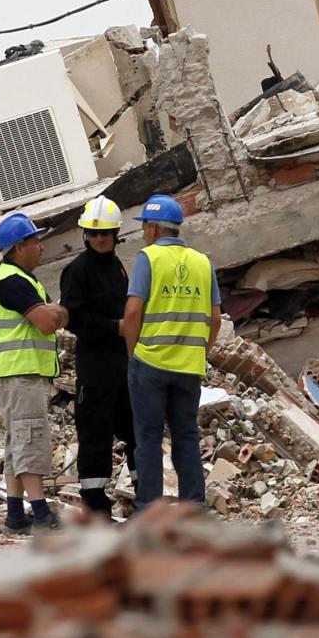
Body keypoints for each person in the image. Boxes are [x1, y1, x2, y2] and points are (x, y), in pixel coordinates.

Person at [119, 194, 222, 513]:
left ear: (152, 228)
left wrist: (132, 352)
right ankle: (195, 507)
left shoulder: (147, 258)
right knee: (186, 436)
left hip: (150, 362)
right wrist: (199, 352)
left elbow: (133, 311)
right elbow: (215, 319)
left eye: (144, 227)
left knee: (148, 438)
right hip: (188, 367)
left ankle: (149, 510)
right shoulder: (202, 262)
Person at [0, 211, 67, 532]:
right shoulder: (12, 282)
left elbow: (53, 314)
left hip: (15, 374)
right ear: (19, 247)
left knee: (16, 442)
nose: (41, 247)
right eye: (35, 241)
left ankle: (16, 515)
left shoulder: (21, 280)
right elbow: (48, 321)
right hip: (19, 374)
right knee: (30, 438)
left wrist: (54, 311)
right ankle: (42, 513)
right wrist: (57, 311)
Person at [59, 196, 136, 517]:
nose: (100, 238)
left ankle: (144, 494)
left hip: (124, 365)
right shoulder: (76, 271)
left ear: (116, 233)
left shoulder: (117, 267)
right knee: (95, 434)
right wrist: (114, 327)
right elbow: (73, 319)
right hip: (95, 367)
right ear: (85, 235)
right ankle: (96, 505)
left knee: (135, 429)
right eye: (94, 233)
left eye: (105, 233)